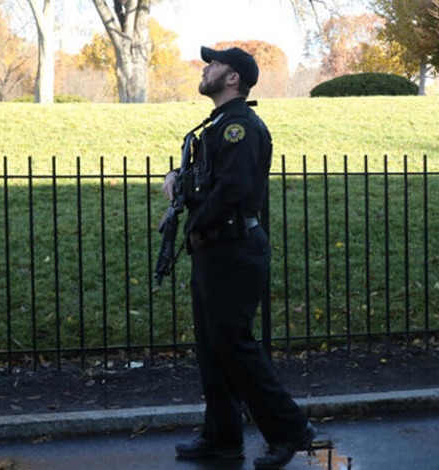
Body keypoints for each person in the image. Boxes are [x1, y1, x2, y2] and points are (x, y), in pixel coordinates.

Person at [163, 45, 317, 470]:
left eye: (213, 64)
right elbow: (210, 178)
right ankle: (222, 437)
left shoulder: (240, 127)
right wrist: (179, 178)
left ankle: (290, 431)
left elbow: (233, 189)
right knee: (214, 348)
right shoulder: (217, 125)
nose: (206, 68)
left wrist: (194, 222)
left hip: (234, 250)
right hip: (215, 249)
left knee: (236, 346)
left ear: (232, 78)